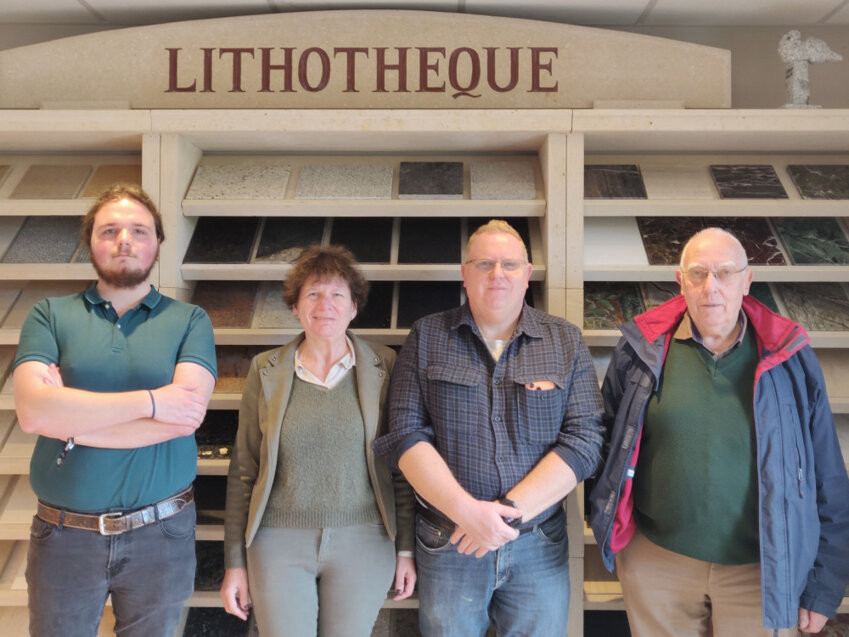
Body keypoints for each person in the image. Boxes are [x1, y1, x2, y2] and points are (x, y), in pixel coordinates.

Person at [589, 227, 849, 636]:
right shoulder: (642, 348)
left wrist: (823, 586)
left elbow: (827, 478)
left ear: (747, 281)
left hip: (762, 571)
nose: (711, 286)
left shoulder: (790, 356)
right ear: (680, 281)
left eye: (725, 273)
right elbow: (604, 445)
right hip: (657, 563)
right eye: (698, 273)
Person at [374, 219, 605, 636]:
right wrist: (467, 512)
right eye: (484, 263)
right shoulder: (427, 336)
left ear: (527, 274)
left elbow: (586, 440)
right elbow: (405, 434)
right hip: (449, 542)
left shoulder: (566, 341)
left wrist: (505, 518)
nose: (498, 274)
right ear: (465, 274)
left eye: (509, 264)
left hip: (539, 542)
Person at [12, 184, 218, 637]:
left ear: (158, 242)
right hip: (64, 535)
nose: (124, 239)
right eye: (110, 230)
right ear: (91, 242)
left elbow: (184, 416)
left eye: (139, 230)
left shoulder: (190, 321)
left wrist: (73, 423)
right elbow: (33, 413)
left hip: (161, 534)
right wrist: (151, 402)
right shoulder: (48, 315)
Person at [220, 244, 416, 637]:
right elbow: (244, 470)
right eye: (313, 293)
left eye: (337, 294)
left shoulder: (385, 366)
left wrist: (406, 550)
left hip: (366, 539)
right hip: (276, 542)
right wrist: (234, 563)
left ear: (354, 306)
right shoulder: (266, 369)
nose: (325, 304)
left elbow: (402, 467)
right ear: (295, 306)